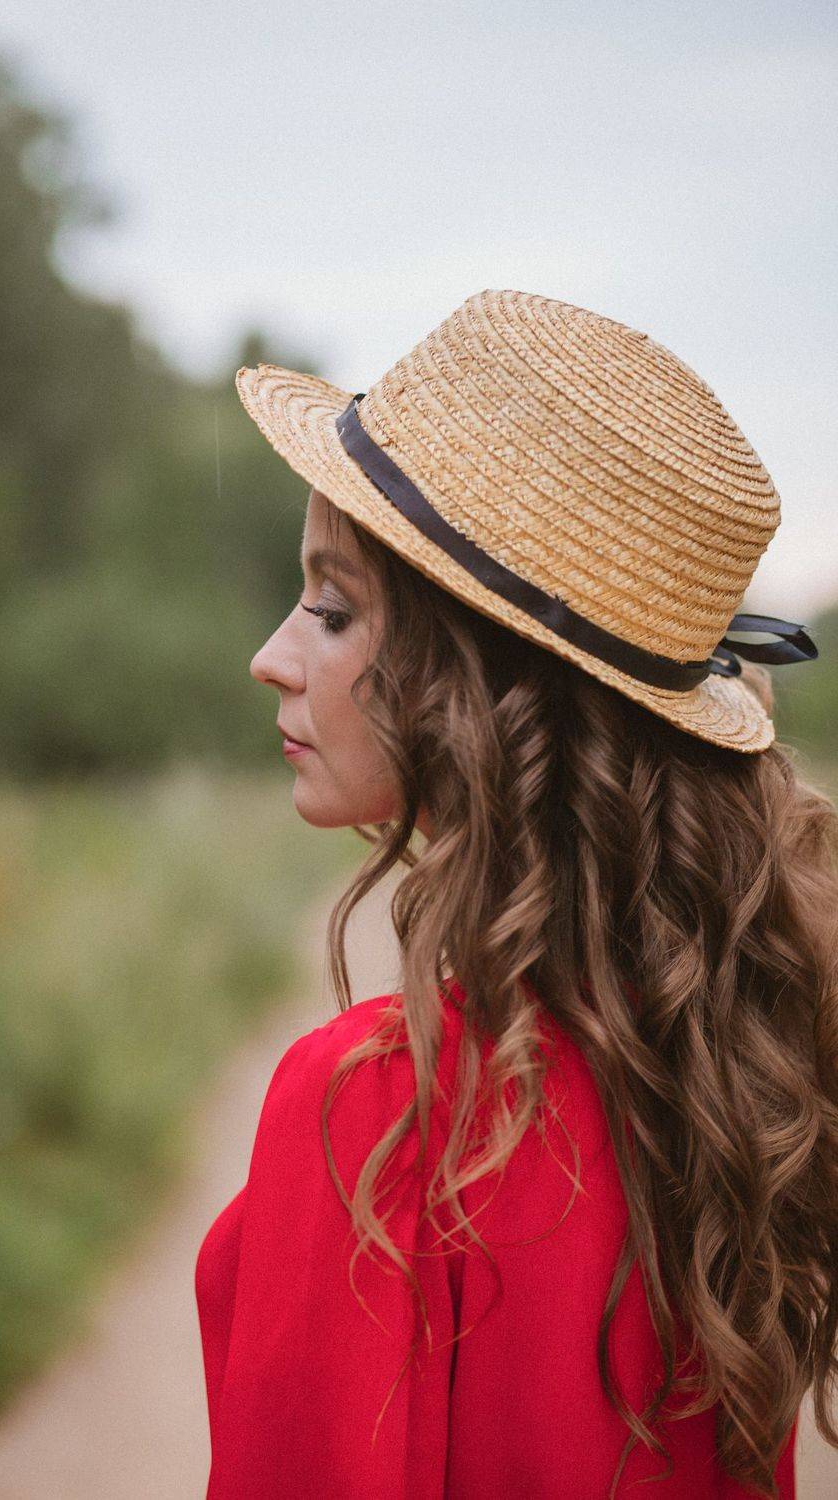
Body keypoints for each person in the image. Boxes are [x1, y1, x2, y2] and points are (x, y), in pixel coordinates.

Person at [193, 289, 836, 1498]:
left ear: (478, 684)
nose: (271, 656)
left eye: (332, 610)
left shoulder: (380, 1114)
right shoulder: (723, 1064)